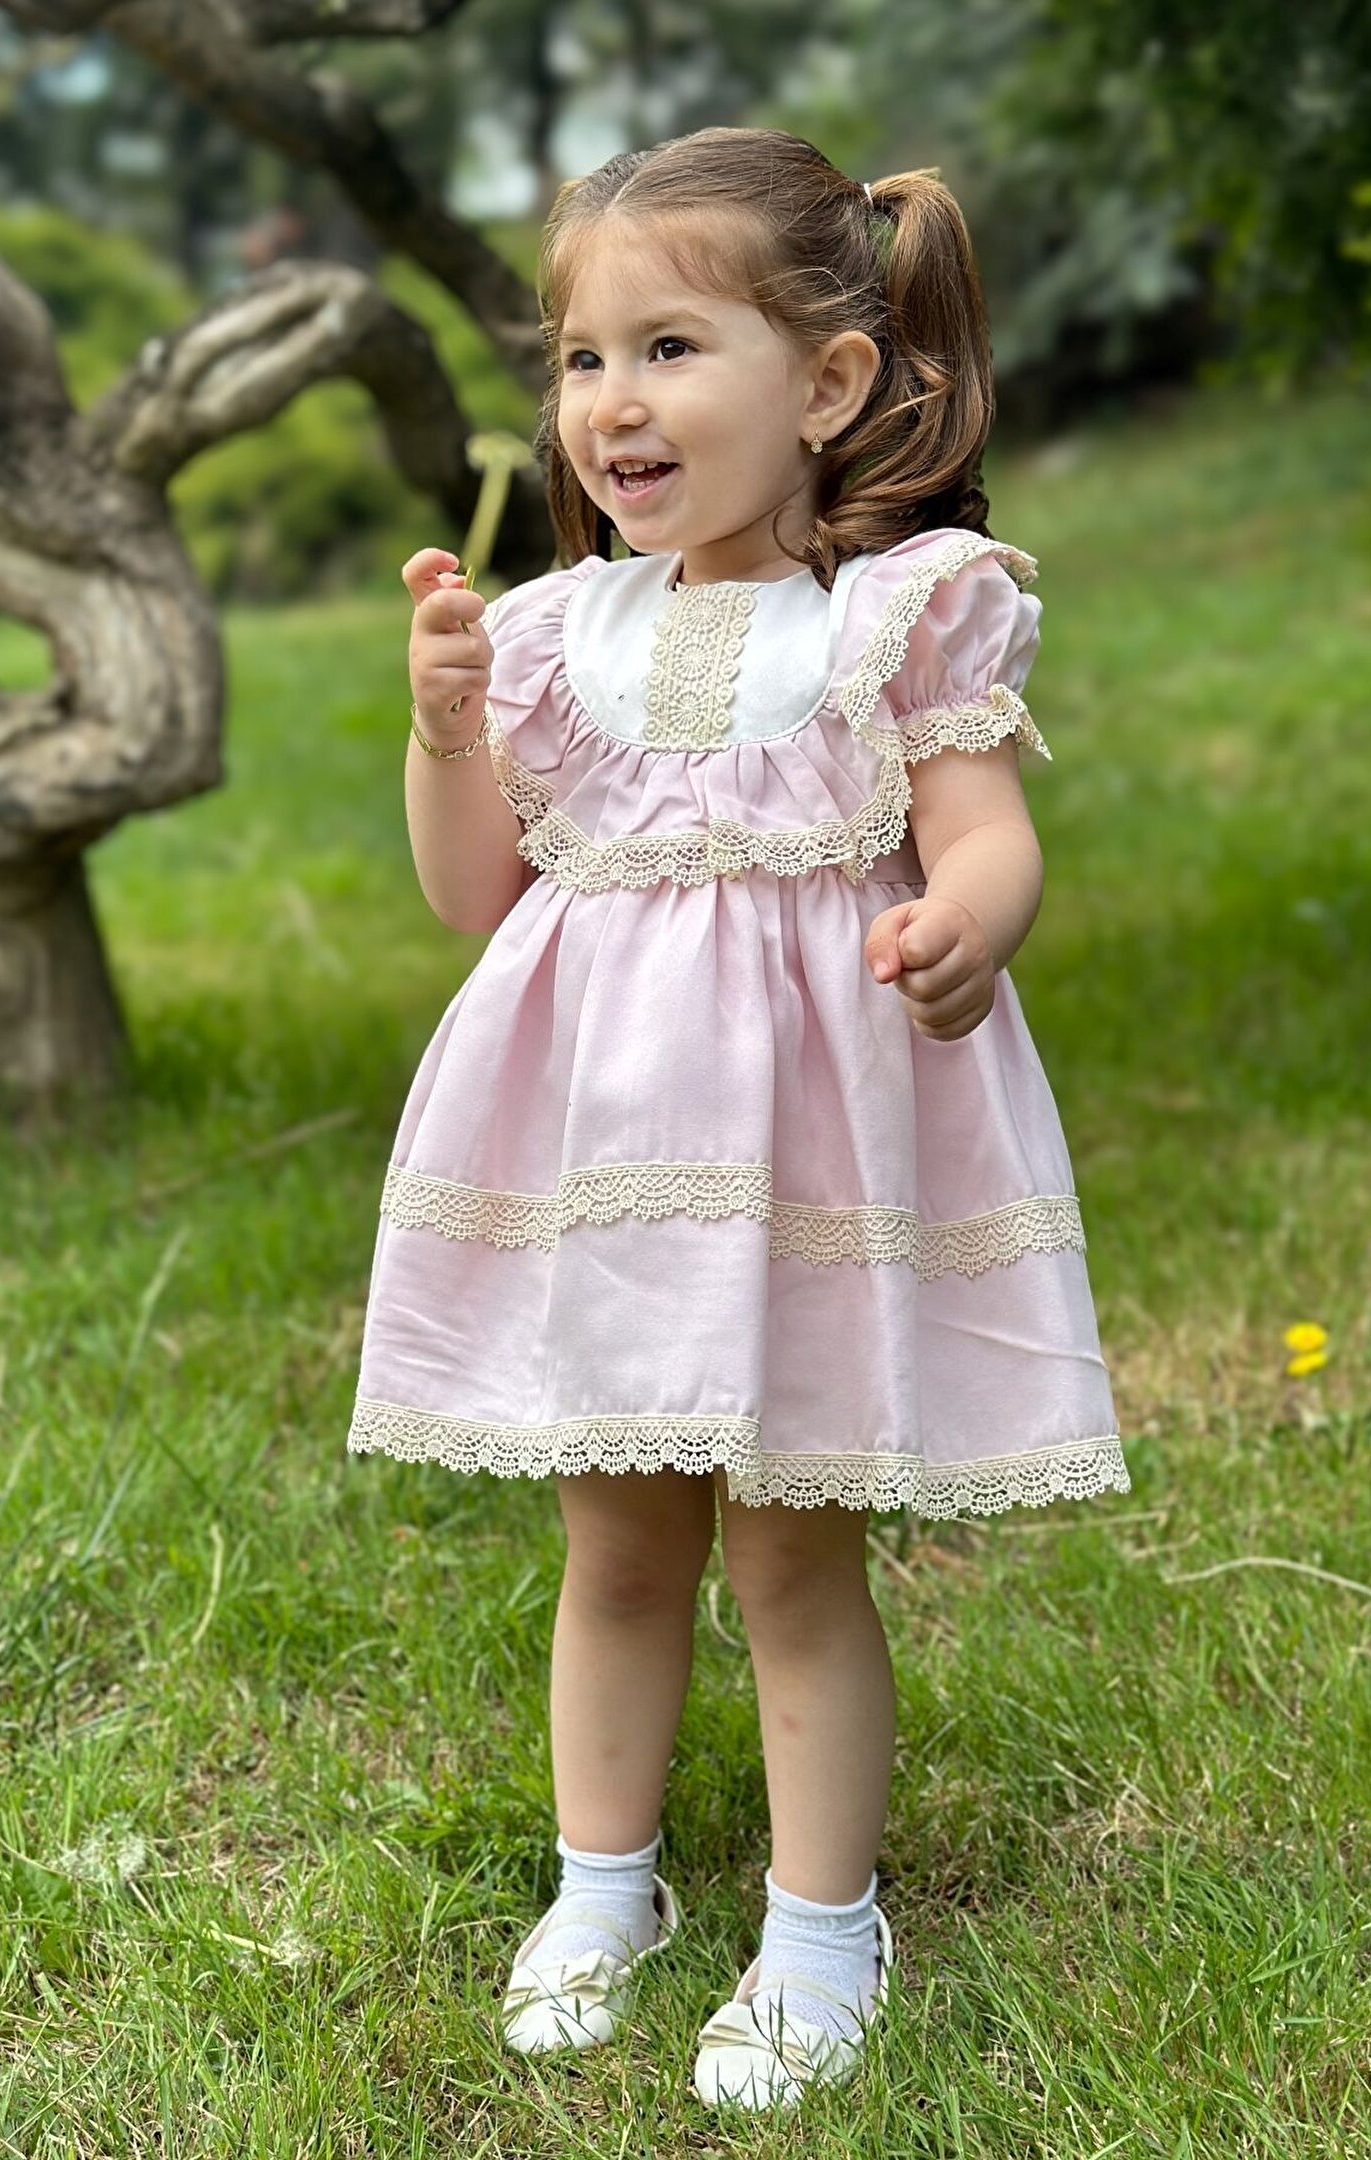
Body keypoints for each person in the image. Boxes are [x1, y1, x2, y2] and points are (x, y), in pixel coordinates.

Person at [347, 124, 1128, 2112]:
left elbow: (986, 830)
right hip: (611, 1177)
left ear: (831, 381)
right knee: (615, 1552)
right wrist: (447, 730)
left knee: (793, 1562)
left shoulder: (898, 616)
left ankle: (821, 1928)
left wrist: (966, 924)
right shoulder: (556, 631)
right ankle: (601, 1888)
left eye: (671, 349)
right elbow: (473, 894)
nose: (611, 401)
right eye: (582, 358)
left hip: (804, 1175)